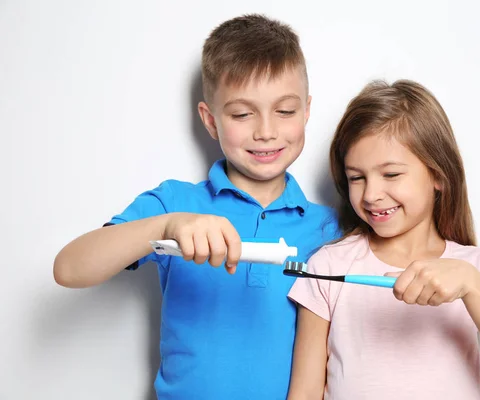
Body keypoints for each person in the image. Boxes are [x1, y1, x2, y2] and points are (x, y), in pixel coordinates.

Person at [53, 14, 339, 400]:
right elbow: (69, 269)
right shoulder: (175, 204)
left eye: (285, 111)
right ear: (210, 120)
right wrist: (166, 227)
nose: (266, 131)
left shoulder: (332, 230)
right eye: (241, 114)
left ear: (306, 111)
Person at [287, 79, 480, 400]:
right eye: (357, 177)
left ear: (438, 174)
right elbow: (305, 392)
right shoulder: (328, 265)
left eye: (391, 174)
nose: (371, 194)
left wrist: (472, 284)